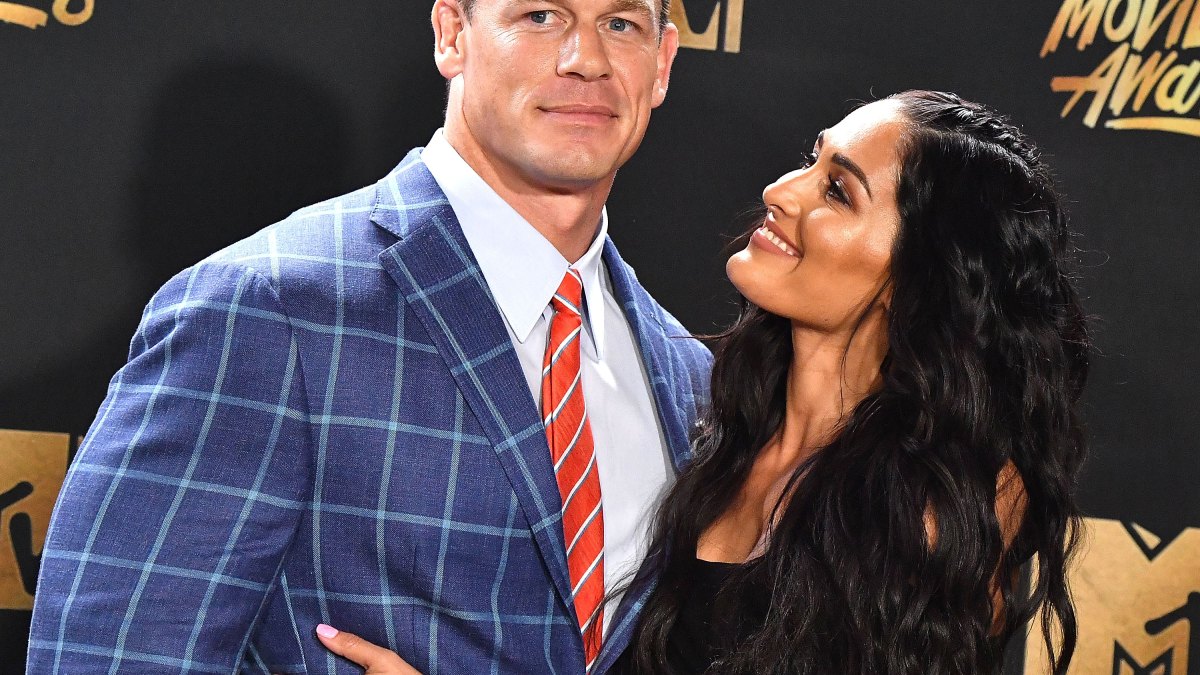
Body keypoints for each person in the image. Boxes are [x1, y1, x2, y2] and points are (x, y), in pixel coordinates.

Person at [27, 1, 712, 673]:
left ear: (661, 64)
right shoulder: (269, 307)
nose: (586, 59)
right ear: (452, 34)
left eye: (620, 24)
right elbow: (108, 657)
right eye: (540, 16)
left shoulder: (688, 373)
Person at [311, 90, 1091, 675]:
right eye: (812, 159)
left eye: (837, 191)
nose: (783, 190)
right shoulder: (703, 416)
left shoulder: (947, 499)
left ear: (921, 278)